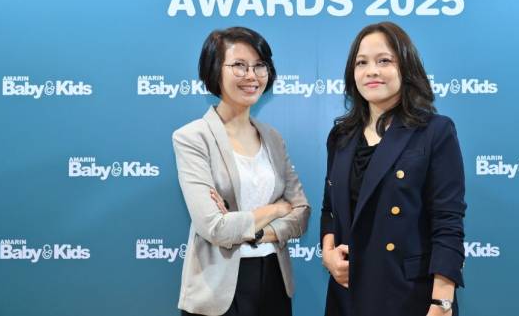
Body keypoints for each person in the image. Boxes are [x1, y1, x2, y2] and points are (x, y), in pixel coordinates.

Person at [320, 21, 467, 316]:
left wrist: (442, 302)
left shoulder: (434, 131)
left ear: (406, 68)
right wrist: (328, 253)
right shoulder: (341, 136)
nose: (371, 71)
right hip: (347, 296)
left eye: (384, 61)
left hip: (409, 296)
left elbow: (447, 222)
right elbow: (330, 209)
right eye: (361, 63)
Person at [172, 26, 310, 316]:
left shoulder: (273, 138)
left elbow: (301, 213)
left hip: (274, 278)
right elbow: (215, 228)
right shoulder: (193, 138)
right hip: (217, 288)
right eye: (239, 65)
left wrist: (255, 232)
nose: (252, 75)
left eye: (260, 65)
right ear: (214, 70)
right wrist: (275, 210)